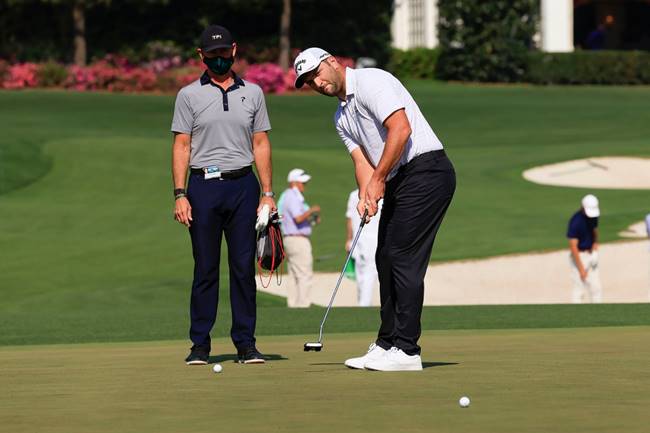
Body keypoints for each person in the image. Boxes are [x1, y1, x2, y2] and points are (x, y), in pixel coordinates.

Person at [293, 48, 456, 371]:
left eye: (316, 73)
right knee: (385, 257)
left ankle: (407, 350)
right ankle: (387, 343)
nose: (317, 82)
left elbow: (401, 129)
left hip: (427, 171)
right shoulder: (341, 117)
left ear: (332, 63)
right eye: (309, 81)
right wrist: (367, 194)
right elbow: (362, 161)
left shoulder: (371, 81)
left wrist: (379, 179)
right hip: (399, 177)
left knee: (402, 258)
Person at [171, 24, 276, 365]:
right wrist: (180, 193)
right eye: (212, 55)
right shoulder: (188, 95)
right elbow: (182, 146)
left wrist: (268, 193)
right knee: (205, 268)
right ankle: (199, 345)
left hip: (243, 186)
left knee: (243, 268)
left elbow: (260, 143)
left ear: (234, 49)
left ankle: (246, 344)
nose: (219, 59)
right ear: (201, 56)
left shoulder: (254, 93)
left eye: (223, 53)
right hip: (203, 187)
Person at [279, 168, 320, 308]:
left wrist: (311, 218)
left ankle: (293, 304)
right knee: (304, 273)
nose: (305, 185)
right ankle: (303, 304)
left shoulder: (290, 196)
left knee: (294, 274)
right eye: (303, 182)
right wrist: (311, 211)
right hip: (297, 240)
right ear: (294, 182)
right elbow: (297, 218)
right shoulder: (292, 196)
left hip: (292, 239)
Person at [345, 189, 382, 306]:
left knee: (361, 273)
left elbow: (349, 219)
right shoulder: (380, 195)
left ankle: (363, 303)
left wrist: (349, 239)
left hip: (357, 239)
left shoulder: (353, 194)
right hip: (372, 240)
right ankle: (364, 305)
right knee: (369, 273)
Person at [567, 194, 602, 303]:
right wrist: (581, 269)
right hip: (579, 256)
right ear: (582, 207)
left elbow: (594, 230)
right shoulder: (575, 221)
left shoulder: (594, 216)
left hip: (591, 254)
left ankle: (598, 314)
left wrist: (595, 245)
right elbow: (573, 247)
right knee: (579, 290)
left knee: (596, 288)